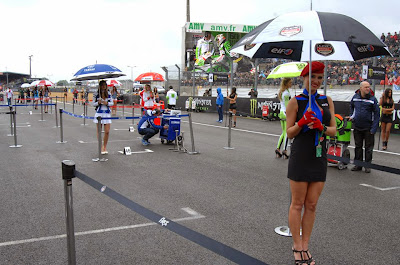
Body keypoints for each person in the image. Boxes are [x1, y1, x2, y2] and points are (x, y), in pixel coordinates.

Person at [286, 61, 336, 265]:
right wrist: (302, 122)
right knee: (297, 204)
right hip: (300, 155)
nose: (315, 81)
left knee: (312, 204)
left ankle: (305, 244)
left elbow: (334, 130)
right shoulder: (295, 102)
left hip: (318, 156)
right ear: (304, 78)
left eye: (319, 78)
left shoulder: (327, 100)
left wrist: (321, 126)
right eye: (312, 77)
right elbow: (289, 133)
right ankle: (297, 246)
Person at [349, 81, 380, 173]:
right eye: (366, 87)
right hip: (357, 126)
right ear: (361, 88)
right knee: (358, 146)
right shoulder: (355, 97)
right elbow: (351, 106)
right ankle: (358, 164)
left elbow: (377, 115)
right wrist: (351, 116)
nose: (368, 89)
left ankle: (367, 165)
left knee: (368, 148)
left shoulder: (373, 99)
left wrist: (373, 128)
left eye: (369, 87)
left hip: (368, 128)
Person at [93, 80, 113, 154]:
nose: (103, 86)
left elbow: (112, 103)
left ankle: (105, 146)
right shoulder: (96, 94)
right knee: (99, 131)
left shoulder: (109, 93)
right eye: (102, 85)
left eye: (105, 85)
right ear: (100, 86)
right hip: (99, 114)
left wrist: (106, 103)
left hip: (107, 114)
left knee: (107, 131)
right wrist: (98, 102)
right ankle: (101, 147)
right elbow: (92, 104)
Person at [276, 78, 292, 159]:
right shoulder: (286, 93)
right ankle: (284, 150)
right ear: (286, 83)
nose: (291, 84)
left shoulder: (282, 91)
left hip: (281, 112)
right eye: (290, 82)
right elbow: (287, 105)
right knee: (286, 133)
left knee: (283, 132)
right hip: (285, 113)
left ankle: (278, 148)